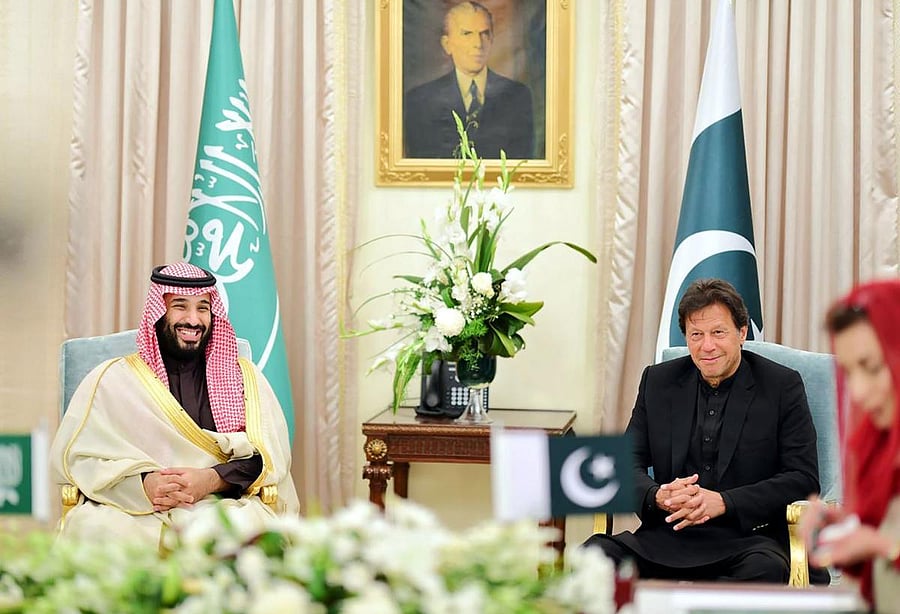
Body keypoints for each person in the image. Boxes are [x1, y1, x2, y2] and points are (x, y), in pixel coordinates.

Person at [584, 278, 820, 582]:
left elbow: (803, 478)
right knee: (592, 558)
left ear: (742, 332)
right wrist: (657, 495)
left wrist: (725, 502)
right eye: (696, 334)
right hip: (666, 536)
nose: (706, 346)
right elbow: (624, 463)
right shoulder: (659, 382)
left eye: (718, 332)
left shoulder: (781, 386)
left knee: (765, 571)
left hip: (748, 540)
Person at [50, 261, 299, 546]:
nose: (193, 320)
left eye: (202, 308)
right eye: (180, 306)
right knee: (97, 529)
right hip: (132, 509)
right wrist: (143, 484)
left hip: (218, 504)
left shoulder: (245, 378)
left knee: (240, 529)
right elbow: (82, 460)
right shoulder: (113, 380)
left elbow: (268, 459)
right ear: (158, 312)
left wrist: (212, 479)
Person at [799, 280, 900, 612]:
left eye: (871, 368)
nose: (856, 392)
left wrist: (883, 547)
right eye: (848, 373)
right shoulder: (876, 447)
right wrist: (844, 528)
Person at [404, 1, 535, 159]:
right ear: (447, 45)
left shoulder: (518, 97)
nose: (478, 44)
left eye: (484, 33)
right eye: (467, 34)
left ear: (492, 39)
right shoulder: (420, 101)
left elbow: (523, 162)